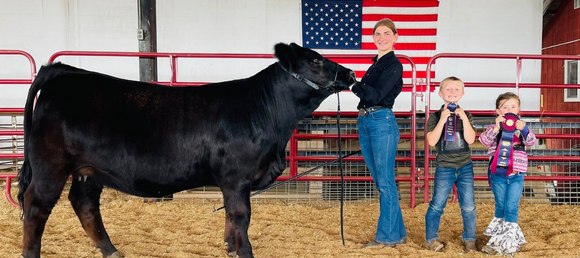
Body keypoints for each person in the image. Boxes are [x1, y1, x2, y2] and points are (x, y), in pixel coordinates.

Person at [351, 18, 406, 248]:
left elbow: (375, 95)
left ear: (395, 37)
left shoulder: (394, 65)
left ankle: (386, 237)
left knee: (385, 183)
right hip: (366, 120)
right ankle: (398, 232)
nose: (381, 38)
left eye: (386, 33)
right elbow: (367, 95)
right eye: (377, 34)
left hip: (381, 120)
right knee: (381, 181)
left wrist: (352, 83)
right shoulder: (376, 64)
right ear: (373, 38)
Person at [424, 76, 478, 253]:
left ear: (462, 94)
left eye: (456, 89)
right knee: (437, 204)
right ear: (440, 94)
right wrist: (442, 120)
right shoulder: (435, 116)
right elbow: (432, 141)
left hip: (465, 166)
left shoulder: (467, 115)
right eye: (448, 89)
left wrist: (462, 117)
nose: (452, 92)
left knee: (468, 205)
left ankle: (470, 239)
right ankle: (431, 238)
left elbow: (470, 139)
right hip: (444, 167)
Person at [479, 92, 536, 256]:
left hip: (516, 175)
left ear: (518, 110)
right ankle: (496, 241)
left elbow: (532, 142)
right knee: (501, 207)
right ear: (498, 111)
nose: (509, 109)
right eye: (505, 107)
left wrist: (524, 129)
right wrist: (496, 127)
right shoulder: (493, 128)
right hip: (498, 175)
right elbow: (484, 141)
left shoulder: (522, 129)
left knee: (511, 207)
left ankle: (509, 242)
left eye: (513, 106)